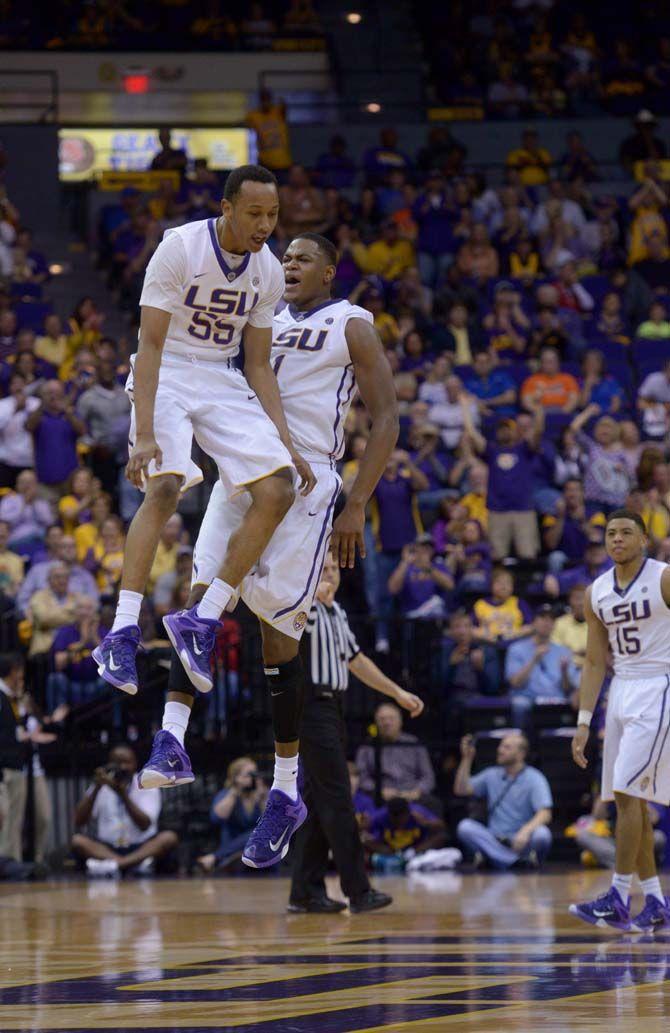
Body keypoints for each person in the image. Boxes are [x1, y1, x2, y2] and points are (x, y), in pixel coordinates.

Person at [139, 233, 399, 873]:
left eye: (303, 257)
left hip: (310, 485)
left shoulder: (353, 323)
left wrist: (359, 500)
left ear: (331, 270)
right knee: (197, 603)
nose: (288, 264)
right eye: (284, 256)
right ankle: (170, 739)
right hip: (247, 469)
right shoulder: (259, 315)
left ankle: (284, 790)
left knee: (276, 638)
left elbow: (387, 416)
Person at [93, 165, 315, 698]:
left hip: (220, 373)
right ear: (228, 208)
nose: (265, 225)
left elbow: (257, 365)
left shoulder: (265, 270)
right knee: (165, 485)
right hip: (167, 367)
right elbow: (148, 344)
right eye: (255, 213)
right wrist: (144, 431)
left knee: (278, 487)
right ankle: (123, 630)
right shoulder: (180, 248)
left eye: (274, 214)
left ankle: (203, 617)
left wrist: (284, 441)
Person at [289, 553, 423, 913]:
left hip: (334, 707)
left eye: (334, 569)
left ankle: (305, 891)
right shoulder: (300, 608)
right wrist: (308, 593)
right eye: (323, 569)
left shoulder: (338, 612)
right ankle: (358, 890)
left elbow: (357, 660)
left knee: (319, 802)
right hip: (309, 706)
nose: (331, 574)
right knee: (337, 798)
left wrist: (397, 693)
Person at [570, 509, 670, 932]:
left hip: (658, 685)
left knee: (627, 790)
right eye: (611, 533)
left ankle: (617, 896)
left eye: (627, 532)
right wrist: (582, 721)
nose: (617, 539)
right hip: (621, 690)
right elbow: (595, 661)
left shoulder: (663, 577)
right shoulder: (597, 592)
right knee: (631, 800)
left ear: (644, 540)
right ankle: (655, 902)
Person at [71, 744, 177, 877]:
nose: (122, 767)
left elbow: (144, 825)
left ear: (135, 764)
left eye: (127, 763)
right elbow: (79, 821)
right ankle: (132, 865)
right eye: (117, 763)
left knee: (168, 838)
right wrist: (96, 788)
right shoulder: (100, 785)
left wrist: (123, 795)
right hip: (108, 848)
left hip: (140, 846)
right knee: (78, 841)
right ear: (110, 764)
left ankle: (117, 865)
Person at [455, 732, 553, 869]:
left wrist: (525, 831)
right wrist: (467, 758)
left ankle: (497, 859)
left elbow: (545, 813)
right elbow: (461, 790)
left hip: (522, 840)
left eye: (506, 747)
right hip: (495, 839)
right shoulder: (491, 774)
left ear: (521, 754)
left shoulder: (535, 778)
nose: (500, 750)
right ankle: (515, 862)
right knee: (465, 827)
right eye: (501, 746)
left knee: (543, 835)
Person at [505, 605, 579, 727]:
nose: (547, 623)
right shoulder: (516, 649)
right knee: (519, 704)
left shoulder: (564, 651)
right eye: (542, 618)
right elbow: (515, 683)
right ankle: (519, 741)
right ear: (534, 622)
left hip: (555, 698)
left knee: (574, 703)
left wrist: (564, 671)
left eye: (551, 620)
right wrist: (534, 659)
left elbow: (567, 689)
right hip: (528, 698)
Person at [196, 757, 268, 873]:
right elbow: (217, 818)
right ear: (236, 777)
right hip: (232, 842)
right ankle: (232, 857)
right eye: (248, 775)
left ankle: (215, 857)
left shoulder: (261, 794)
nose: (252, 778)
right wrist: (235, 791)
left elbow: (270, 823)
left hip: (257, 847)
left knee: (259, 832)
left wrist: (263, 799)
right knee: (255, 834)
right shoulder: (227, 794)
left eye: (254, 774)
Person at [356, 702, 436, 804]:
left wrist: (417, 791)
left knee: (434, 804)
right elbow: (361, 778)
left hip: (413, 795)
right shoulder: (367, 747)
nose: (387, 723)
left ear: (400, 721)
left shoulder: (414, 743)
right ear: (375, 723)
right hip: (379, 796)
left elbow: (428, 777)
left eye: (391, 718)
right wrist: (379, 790)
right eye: (382, 719)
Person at [0, 654, 26, 862]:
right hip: (4, 766)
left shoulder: (13, 698)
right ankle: (6, 862)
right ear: (12, 672)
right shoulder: (2, 697)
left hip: (14, 765)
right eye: (19, 671)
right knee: (5, 816)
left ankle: (11, 862)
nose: (22, 675)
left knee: (12, 818)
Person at [246, 89, 292, 175]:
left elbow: (284, 105)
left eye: (268, 99)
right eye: (263, 99)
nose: (266, 102)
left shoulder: (278, 111)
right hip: (265, 162)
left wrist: (281, 99)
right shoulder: (253, 115)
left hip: (282, 162)